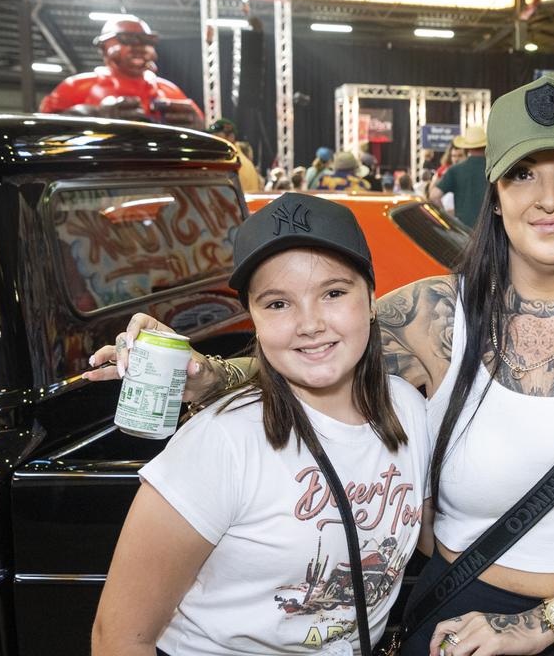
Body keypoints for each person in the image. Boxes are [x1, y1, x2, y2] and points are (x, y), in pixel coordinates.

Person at [98, 77, 554, 655]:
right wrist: (208, 373)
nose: (549, 198)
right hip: (459, 625)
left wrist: (540, 625)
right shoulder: (435, 315)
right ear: (496, 197)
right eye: (523, 174)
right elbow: (316, 348)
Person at [89, 193, 432, 655]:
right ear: (253, 317)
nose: (309, 324)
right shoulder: (220, 441)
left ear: (371, 299)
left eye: (333, 293)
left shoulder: (407, 409)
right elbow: (119, 638)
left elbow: (439, 536)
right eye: (277, 304)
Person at [40, 15, 203, 128]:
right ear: (104, 47)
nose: (139, 47)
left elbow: (204, 131)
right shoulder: (76, 87)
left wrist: (199, 127)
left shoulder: (168, 91)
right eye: (127, 39)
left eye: (147, 40)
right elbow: (41, 134)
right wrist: (90, 117)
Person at [430, 126, 488, 227]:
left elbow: (434, 196)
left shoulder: (455, 170)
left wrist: (448, 219)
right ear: (486, 145)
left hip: (464, 232)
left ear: (467, 148)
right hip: (492, 231)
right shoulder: (495, 169)